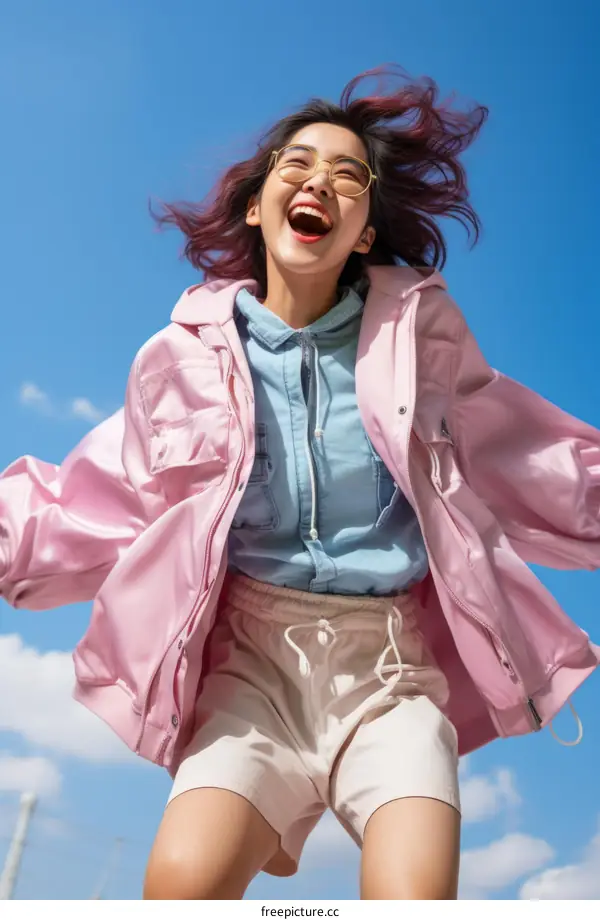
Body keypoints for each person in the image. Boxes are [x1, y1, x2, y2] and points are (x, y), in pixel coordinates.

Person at [1, 66, 599, 901]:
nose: (321, 180)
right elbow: (99, 497)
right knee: (178, 888)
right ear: (259, 205)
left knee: (414, 899)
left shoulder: (418, 349)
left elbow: (532, 458)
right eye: (298, 164)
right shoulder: (180, 361)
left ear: (360, 233)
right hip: (251, 672)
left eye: (349, 175)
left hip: (389, 671)